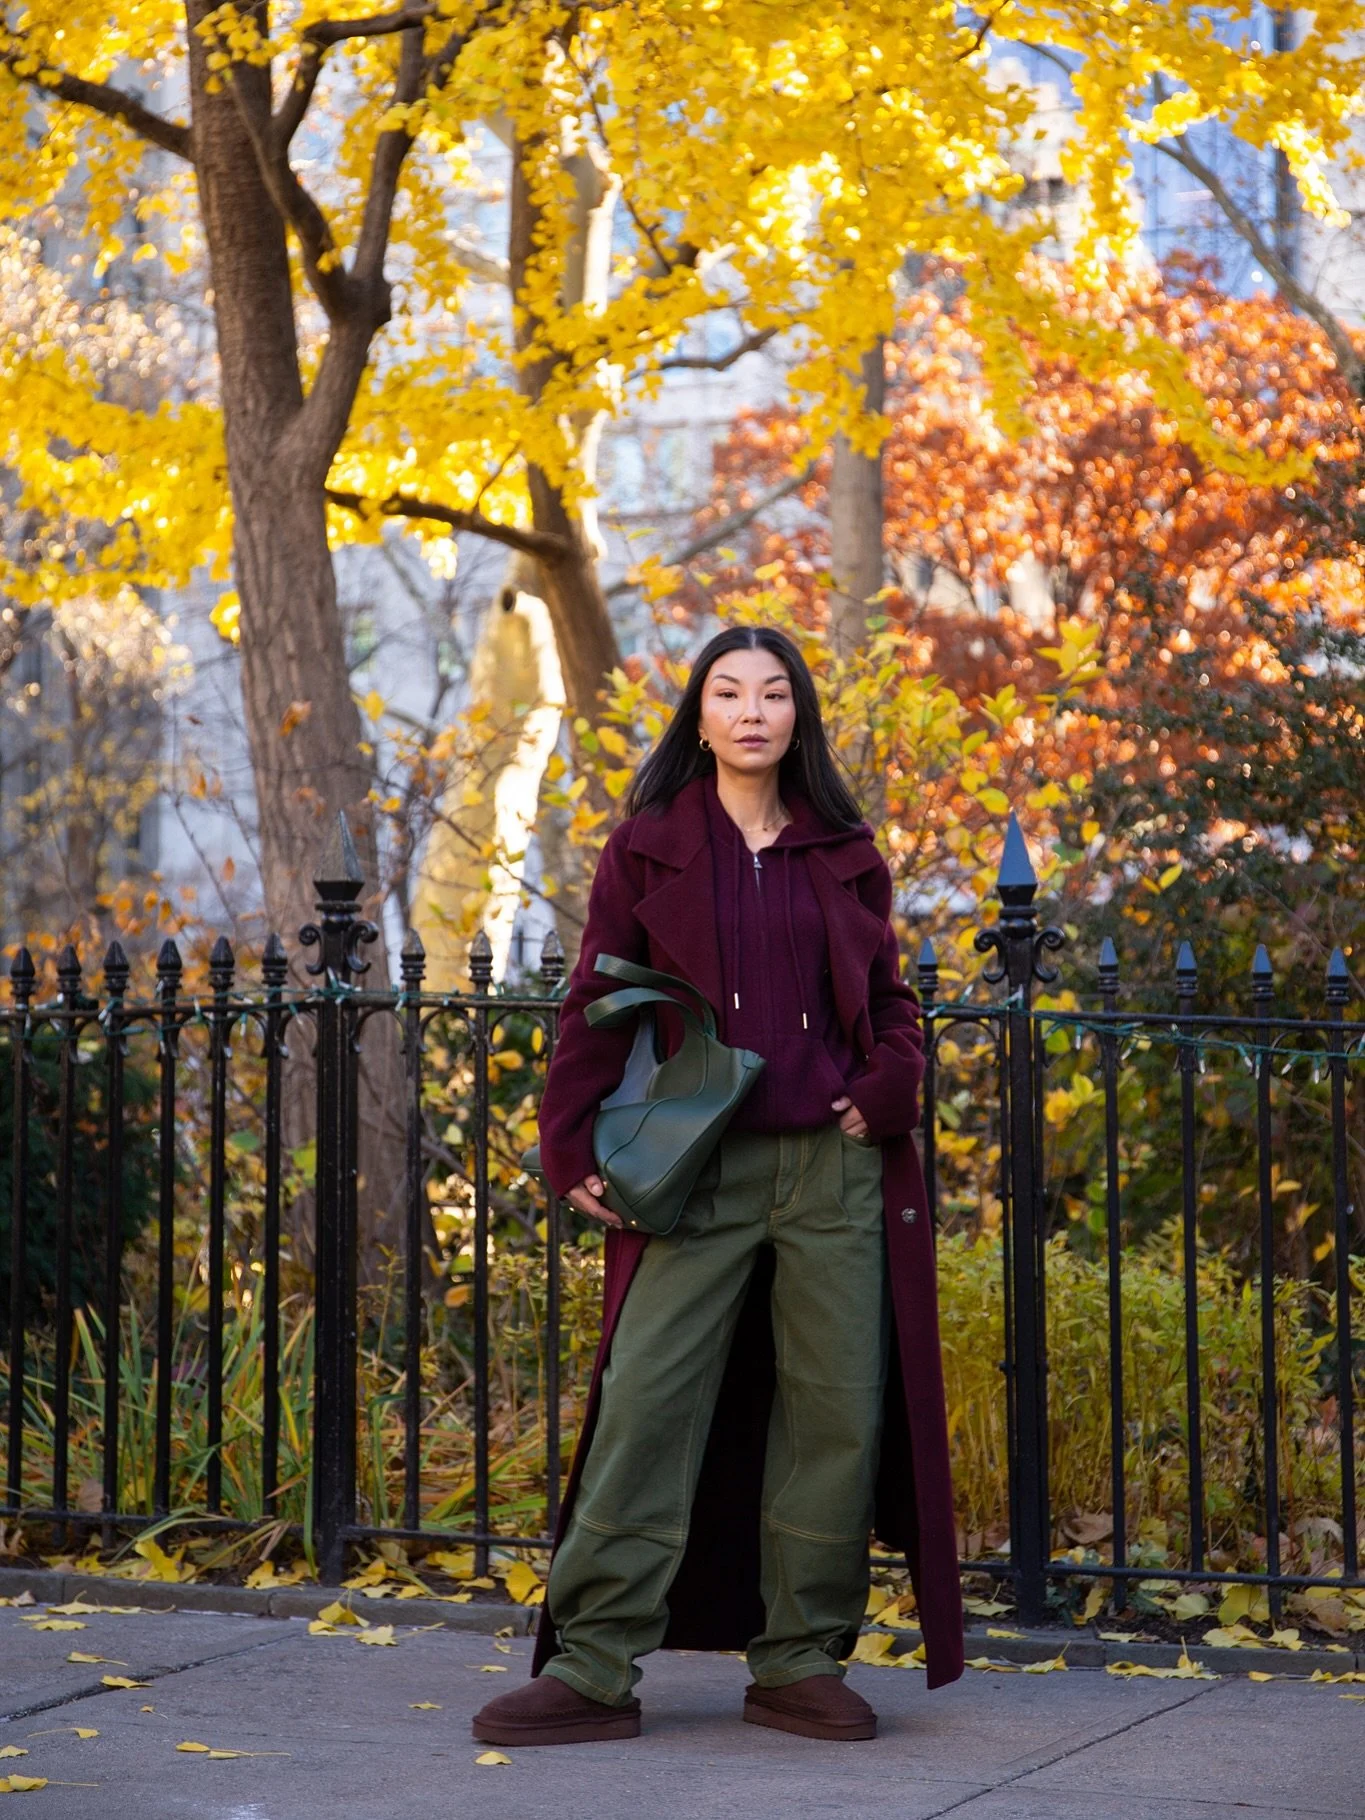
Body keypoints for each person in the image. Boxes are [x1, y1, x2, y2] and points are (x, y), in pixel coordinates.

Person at [473, 625, 963, 1748]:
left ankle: (800, 1661)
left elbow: (890, 999)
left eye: (774, 693)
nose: (752, 712)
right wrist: (567, 1143)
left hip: (832, 1171)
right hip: (696, 1172)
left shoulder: (844, 848)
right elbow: (597, 999)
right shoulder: (645, 848)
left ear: (798, 716)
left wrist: (892, 1079)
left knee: (836, 1414)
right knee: (646, 1400)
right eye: (730, 692)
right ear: (698, 716)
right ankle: (593, 1664)